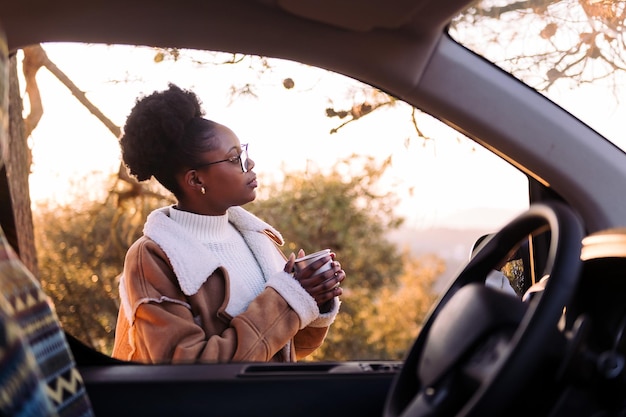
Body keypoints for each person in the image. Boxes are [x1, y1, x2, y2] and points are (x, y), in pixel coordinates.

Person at [112, 83, 345, 364]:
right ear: (196, 180)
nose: (250, 163)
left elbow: (288, 349)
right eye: (235, 158)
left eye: (243, 153)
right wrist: (287, 298)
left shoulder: (256, 239)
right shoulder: (153, 258)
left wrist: (314, 295)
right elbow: (187, 368)